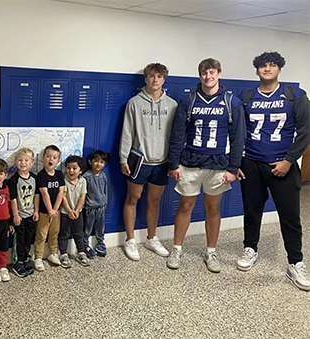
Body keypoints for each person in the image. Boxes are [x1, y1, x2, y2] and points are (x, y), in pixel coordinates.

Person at [236, 51, 310, 291]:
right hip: (252, 164)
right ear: (256, 70)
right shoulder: (246, 97)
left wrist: (289, 160)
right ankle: (250, 249)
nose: (267, 69)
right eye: (262, 66)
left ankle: (295, 263)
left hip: (282, 166)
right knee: (252, 210)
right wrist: (237, 162)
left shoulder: (294, 96)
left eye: (272, 65)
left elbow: (305, 131)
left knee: (290, 216)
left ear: (279, 69)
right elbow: (236, 131)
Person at [166, 58, 245, 273]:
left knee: (213, 208)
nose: (208, 77)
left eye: (211, 72)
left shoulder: (232, 102)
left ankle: (211, 251)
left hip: (218, 165)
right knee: (186, 206)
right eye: (204, 73)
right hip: (190, 162)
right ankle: (177, 248)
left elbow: (238, 138)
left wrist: (232, 168)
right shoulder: (188, 100)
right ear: (199, 75)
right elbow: (177, 134)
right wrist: (173, 162)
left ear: (219, 73)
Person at [120, 63, 178, 261]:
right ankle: (130, 240)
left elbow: (175, 135)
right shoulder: (134, 103)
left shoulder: (172, 104)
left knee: (154, 201)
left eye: (159, 76)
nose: (155, 80)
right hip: (139, 160)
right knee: (132, 198)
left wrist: (174, 162)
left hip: (161, 162)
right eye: (152, 76)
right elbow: (127, 132)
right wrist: (123, 158)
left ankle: (151, 238)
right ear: (146, 79)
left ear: (164, 79)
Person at [33, 145, 65, 271]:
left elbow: (61, 192)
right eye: (48, 156)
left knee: (54, 234)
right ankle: (38, 257)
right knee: (41, 235)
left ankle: (53, 253)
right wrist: (50, 210)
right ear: (43, 158)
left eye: (54, 157)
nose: (50, 159)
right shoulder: (41, 175)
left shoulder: (59, 174)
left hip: (56, 212)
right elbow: (44, 194)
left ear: (57, 161)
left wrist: (55, 209)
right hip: (43, 212)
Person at [9, 148, 38, 277]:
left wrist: (36, 211)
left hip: (31, 214)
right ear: (16, 162)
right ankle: (18, 261)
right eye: (20, 160)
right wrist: (15, 215)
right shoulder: (14, 180)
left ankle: (26, 258)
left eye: (26, 160)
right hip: (19, 216)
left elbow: (36, 196)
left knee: (28, 238)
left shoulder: (34, 178)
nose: (23, 163)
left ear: (31, 163)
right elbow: (13, 199)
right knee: (19, 239)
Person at [59, 155, 89, 268]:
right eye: (68, 167)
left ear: (80, 170)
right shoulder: (64, 180)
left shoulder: (83, 181)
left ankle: (81, 252)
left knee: (78, 234)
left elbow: (82, 197)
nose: (70, 171)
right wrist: (69, 210)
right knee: (64, 234)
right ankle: (63, 254)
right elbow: (63, 196)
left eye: (74, 168)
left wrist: (76, 211)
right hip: (65, 213)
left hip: (78, 213)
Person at [82, 150, 108, 258]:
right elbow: (83, 192)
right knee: (87, 228)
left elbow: (105, 190)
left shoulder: (103, 176)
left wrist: (105, 202)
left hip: (101, 207)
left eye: (102, 162)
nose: (99, 164)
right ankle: (85, 245)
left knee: (100, 227)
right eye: (96, 161)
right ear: (90, 162)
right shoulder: (86, 176)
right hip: (90, 208)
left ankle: (100, 243)